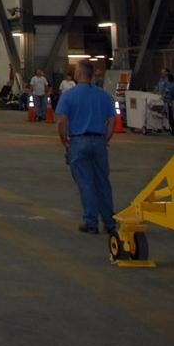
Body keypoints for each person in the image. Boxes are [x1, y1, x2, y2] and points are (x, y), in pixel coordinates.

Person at [55, 59, 117, 234]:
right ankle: (110, 223)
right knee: (103, 182)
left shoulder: (69, 95)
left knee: (86, 183)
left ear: (79, 74)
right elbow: (112, 121)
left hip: (78, 141)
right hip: (99, 142)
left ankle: (91, 222)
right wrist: (105, 138)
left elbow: (62, 122)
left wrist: (64, 140)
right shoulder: (103, 95)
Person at [158, 68, 174, 134]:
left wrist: (162, 97)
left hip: (170, 102)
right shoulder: (173, 84)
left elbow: (165, 93)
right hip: (170, 101)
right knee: (170, 115)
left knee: (171, 116)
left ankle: (172, 129)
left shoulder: (169, 85)